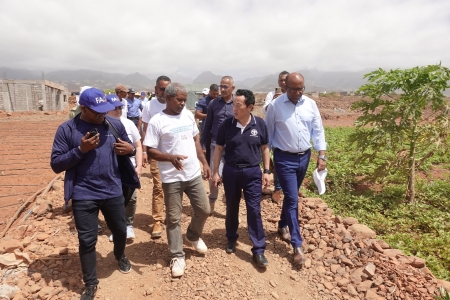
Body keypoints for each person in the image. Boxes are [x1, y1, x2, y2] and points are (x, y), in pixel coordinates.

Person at [50, 88, 135, 300]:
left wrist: (130, 149)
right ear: (84, 109)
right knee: (87, 240)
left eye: (104, 110)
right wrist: (80, 150)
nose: (102, 115)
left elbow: (129, 146)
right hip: (83, 193)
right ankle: (90, 283)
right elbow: (56, 164)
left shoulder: (114, 124)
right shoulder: (67, 129)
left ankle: (119, 255)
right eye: (97, 112)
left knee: (121, 230)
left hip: (113, 189)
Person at [143, 82, 211, 278]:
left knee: (204, 209)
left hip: (192, 174)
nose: (183, 103)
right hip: (172, 178)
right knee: (173, 218)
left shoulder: (188, 115)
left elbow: (196, 141)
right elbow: (150, 150)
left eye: (184, 99)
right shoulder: (158, 121)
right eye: (179, 99)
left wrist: (204, 164)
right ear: (168, 98)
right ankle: (177, 255)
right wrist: (170, 157)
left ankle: (192, 235)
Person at [265, 72, 327, 266]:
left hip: (305, 157)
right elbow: (267, 136)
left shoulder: (310, 104)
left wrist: (322, 154)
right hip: (284, 158)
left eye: (301, 89)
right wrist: (267, 164)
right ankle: (297, 245)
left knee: (291, 197)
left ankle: (282, 224)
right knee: (292, 198)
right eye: (293, 89)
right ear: (286, 87)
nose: (297, 92)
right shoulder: (275, 106)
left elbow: (318, 130)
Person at [212, 89, 271, 268]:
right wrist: (216, 171)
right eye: (233, 105)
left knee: (254, 209)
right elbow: (219, 149)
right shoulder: (227, 125)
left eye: (238, 106)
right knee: (232, 206)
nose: (234, 109)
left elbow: (265, 147)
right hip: (231, 171)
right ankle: (231, 238)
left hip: (253, 172)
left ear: (250, 107)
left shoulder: (259, 124)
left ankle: (259, 249)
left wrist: (267, 170)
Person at [105, 94, 143, 240]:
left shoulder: (128, 124)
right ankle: (116, 228)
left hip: (129, 168)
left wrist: (139, 166)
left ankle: (128, 225)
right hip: (111, 171)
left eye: (120, 107)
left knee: (131, 198)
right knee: (114, 199)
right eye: (114, 108)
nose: (118, 110)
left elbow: (138, 146)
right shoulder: (102, 126)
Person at [141, 75, 171, 239]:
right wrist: (145, 151)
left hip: (173, 153)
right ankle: (157, 220)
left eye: (168, 89)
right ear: (156, 89)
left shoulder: (175, 104)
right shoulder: (149, 106)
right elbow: (145, 129)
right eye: (162, 89)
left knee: (174, 186)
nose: (165, 92)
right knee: (159, 186)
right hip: (156, 153)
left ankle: (172, 216)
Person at [201, 76, 235, 213]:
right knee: (214, 174)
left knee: (230, 176)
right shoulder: (213, 104)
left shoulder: (237, 103)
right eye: (221, 86)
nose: (223, 89)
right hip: (215, 144)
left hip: (233, 146)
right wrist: (203, 143)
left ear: (233, 88)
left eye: (226, 86)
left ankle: (228, 206)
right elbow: (207, 124)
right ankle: (212, 201)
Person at [262, 71, 289, 203]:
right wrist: (273, 101)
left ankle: (290, 188)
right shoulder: (271, 95)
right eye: (281, 80)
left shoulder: (292, 95)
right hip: (274, 131)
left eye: (285, 80)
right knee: (278, 160)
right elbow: (265, 110)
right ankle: (277, 188)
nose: (282, 82)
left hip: (287, 132)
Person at [195, 84, 220, 164]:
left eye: (217, 94)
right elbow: (197, 114)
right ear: (209, 92)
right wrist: (210, 115)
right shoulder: (203, 101)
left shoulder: (220, 101)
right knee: (208, 154)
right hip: (208, 131)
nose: (215, 96)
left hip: (218, 131)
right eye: (213, 94)